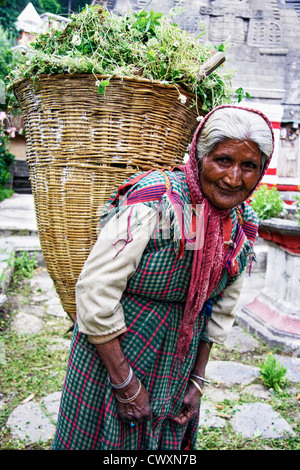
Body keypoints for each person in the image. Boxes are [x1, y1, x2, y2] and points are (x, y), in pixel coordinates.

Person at [52, 105, 274, 450]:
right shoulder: (156, 202)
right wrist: (124, 381)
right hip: (114, 352)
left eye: (249, 166)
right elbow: (96, 290)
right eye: (223, 160)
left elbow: (220, 305)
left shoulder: (241, 222)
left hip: (178, 360)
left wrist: (197, 380)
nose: (233, 178)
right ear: (199, 156)